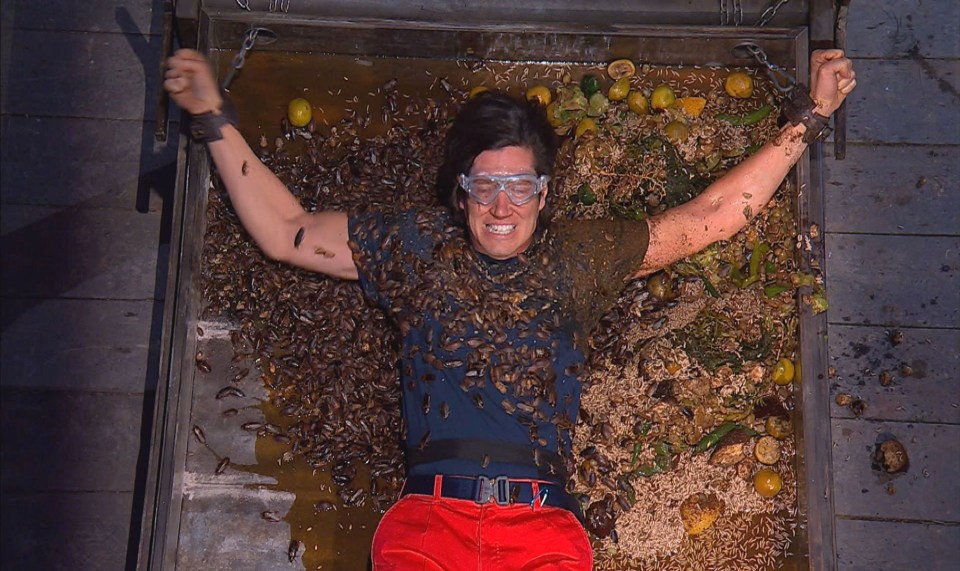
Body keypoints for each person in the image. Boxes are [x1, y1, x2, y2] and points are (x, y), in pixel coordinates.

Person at [165, 48, 855, 570]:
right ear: (461, 190)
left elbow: (707, 218)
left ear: (545, 193)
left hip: (542, 534)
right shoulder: (415, 248)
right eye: (486, 185)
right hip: (427, 528)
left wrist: (811, 117)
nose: (502, 207)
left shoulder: (578, 260)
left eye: (519, 187)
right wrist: (212, 116)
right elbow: (287, 231)